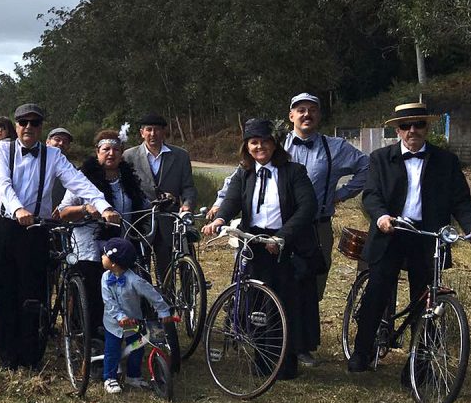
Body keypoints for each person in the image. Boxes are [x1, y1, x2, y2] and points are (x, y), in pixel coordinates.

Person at [209, 92, 369, 366]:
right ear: (291, 116)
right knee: (257, 289)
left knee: (304, 289)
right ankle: (258, 341)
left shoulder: (332, 149)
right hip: (259, 237)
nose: (306, 115)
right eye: (300, 110)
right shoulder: (263, 155)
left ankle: (298, 345)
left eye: (312, 110)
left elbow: (366, 167)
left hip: (307, 231)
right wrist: (219, 213)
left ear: (319, 115)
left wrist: (339, 195)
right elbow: (235, 189)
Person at [348, 103, 471, 376]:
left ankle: (419, 362)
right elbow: (371, 194)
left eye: (418, 124)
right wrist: (382, 216)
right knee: (378, 290)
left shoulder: (446, 161)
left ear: (427, 127)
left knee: (426, 299)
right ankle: (362, 351)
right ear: (397, 130)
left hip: (428, 237)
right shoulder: (380, 158)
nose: (412, 131)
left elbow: (461, 200)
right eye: (405, 126)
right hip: (391, 232)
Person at [0, 103, 120, 370]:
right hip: (3, 222)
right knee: (3, 291)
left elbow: (79, 182)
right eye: (23, 122)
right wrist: (18, 208)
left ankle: (32, 354)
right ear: (16, 126)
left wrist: (104, 207)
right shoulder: (2, 149)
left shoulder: (53, 156)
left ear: (40, 127)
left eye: (34, 123)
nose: (28, 127)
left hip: (36, 227)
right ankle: (8, 356)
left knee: (33, 291)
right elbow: (2, 183)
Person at [202, 119, 319, 380]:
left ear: (274, 144)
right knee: (256, 303)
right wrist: (220, 219)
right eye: (254, 142)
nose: (259, 147)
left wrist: (281, 238)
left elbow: (306, 208)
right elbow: (231, 201)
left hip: (285, 244)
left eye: (264, 141)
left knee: (285, 302)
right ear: (247, 147)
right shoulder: (244, 174)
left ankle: (286, 365)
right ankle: (262, 360)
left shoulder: (294, 172)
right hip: (253, 242)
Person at [56, 129, 148, 341]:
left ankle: (121, 340)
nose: (111, 153)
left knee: (124, 296)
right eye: (106, 149)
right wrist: (85, 209)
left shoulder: (129, 180)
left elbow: (142, 204)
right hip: (89, 248)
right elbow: (62, 211)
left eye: (116, 149)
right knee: (93, 298)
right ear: (97, 152)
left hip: (121, 248)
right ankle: (89, 340)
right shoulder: (82, 179)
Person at [123, 113, 197, 281]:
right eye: (148, 130)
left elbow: (188, 187)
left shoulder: (180, 156)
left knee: (167, 272)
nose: (152, 134)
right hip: (140, 223)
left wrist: (186, 206)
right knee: (140, 271)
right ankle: (145, 306)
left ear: (164, 132)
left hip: (169, 222)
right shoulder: (129, 156)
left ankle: (168, 304)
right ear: (142, 132)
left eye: (157, 130)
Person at [99, 237, 171, 394]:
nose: (102, 256)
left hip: (134, 322)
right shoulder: (105, 278)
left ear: (113, 263)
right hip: (113, 323)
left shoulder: (134, 280)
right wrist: (119, 317)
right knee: (112, 350)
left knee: (137, 348)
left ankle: (133, 376)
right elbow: (108, 301)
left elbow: (153, 294)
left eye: (104, 255)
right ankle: (109, 377)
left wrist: (163, 310)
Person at [46, 127, 74, 205]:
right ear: (47, 142)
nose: (61, 143)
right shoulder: (34, 163)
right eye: (57, 140)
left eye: (65, 142)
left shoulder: (72, 169)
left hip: (60, 214)